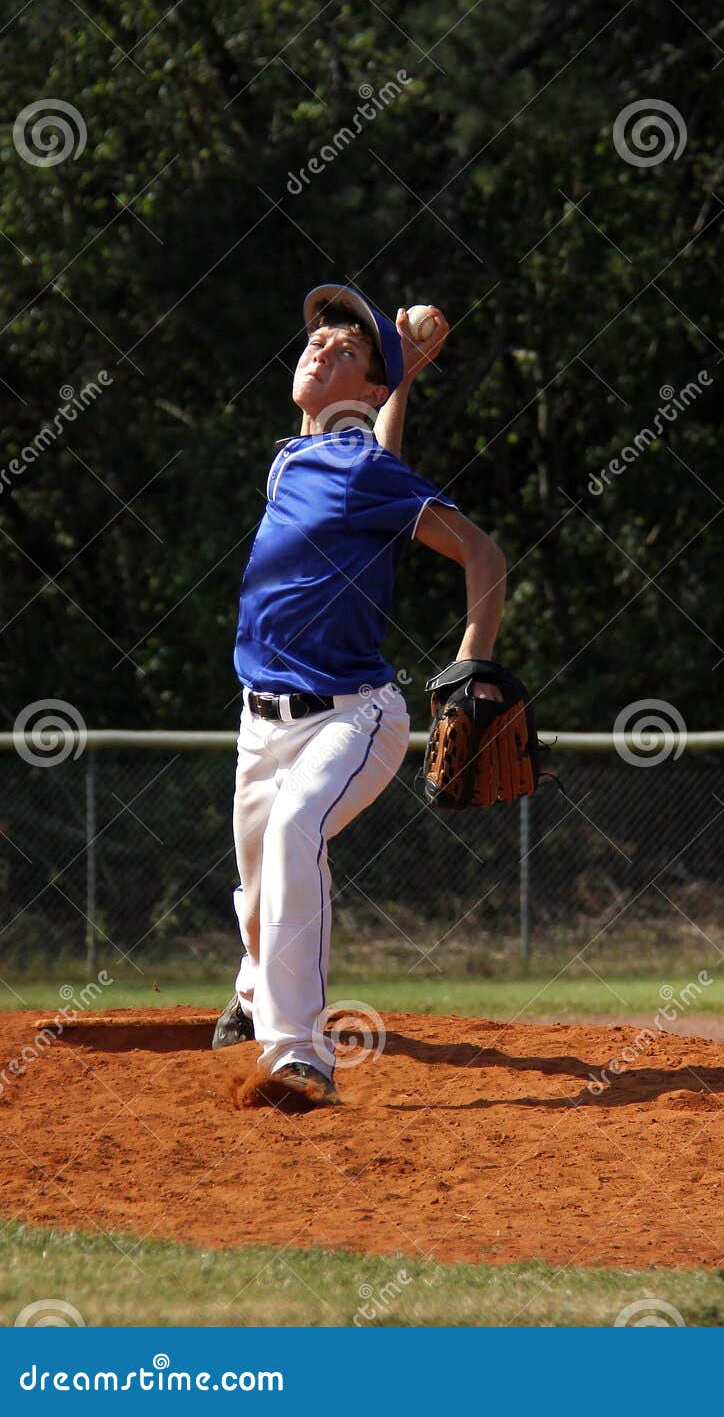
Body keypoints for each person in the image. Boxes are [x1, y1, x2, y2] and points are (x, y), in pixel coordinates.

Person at [213, 286, 506, 1106]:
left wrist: (471, 666)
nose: (320, 348)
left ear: (370, 388)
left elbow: (485, 557)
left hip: (355, 715)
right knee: (258, 890)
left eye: (347, 350)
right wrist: (397, 369)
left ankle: (298, 1054)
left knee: (297, 833)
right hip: (257, 722)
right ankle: (251, 987)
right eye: (317, 340)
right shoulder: (292, 460)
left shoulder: (363, 468)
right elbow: (369, 465)